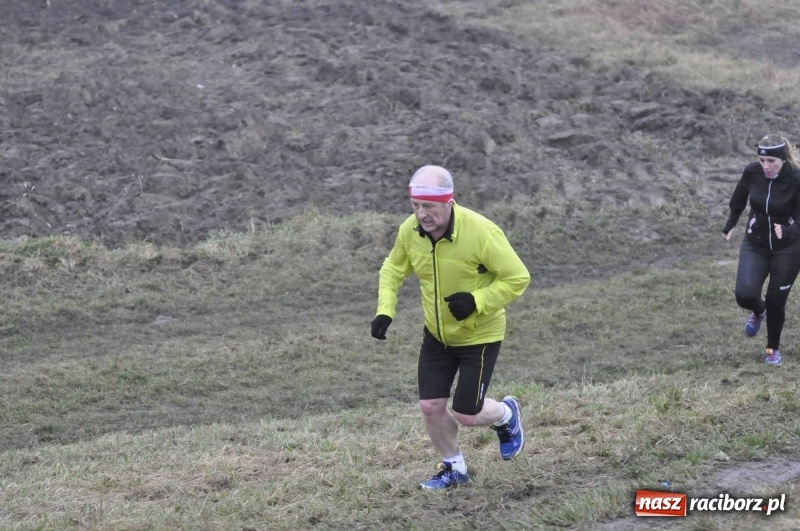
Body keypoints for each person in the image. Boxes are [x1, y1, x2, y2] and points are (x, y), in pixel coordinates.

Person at [371, 164, 531, 490]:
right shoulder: (410, 231)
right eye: (416, 206)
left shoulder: (482, 233)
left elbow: (518, 278)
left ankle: (506, 415)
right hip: (437, 335)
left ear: (448, 202)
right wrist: (385, 311)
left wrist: (476, 300)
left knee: (467, 414)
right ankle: (454, 468)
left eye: (428, 206)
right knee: (430, 406)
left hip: (479, 335)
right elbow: (392, 269)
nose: (421, 215)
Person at [722, 133, 800, 366]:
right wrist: (731, 223)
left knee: (777, 301)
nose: (765, 166)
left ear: (783, 159)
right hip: (755, 243)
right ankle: (758, 310)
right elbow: (739, 197)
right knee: (744, 295)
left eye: (771, 162)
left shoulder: (796, 178)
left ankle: (771, 349)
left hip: (789, 247)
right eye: (761, 160)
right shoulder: (752, 171)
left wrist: (788, 232)